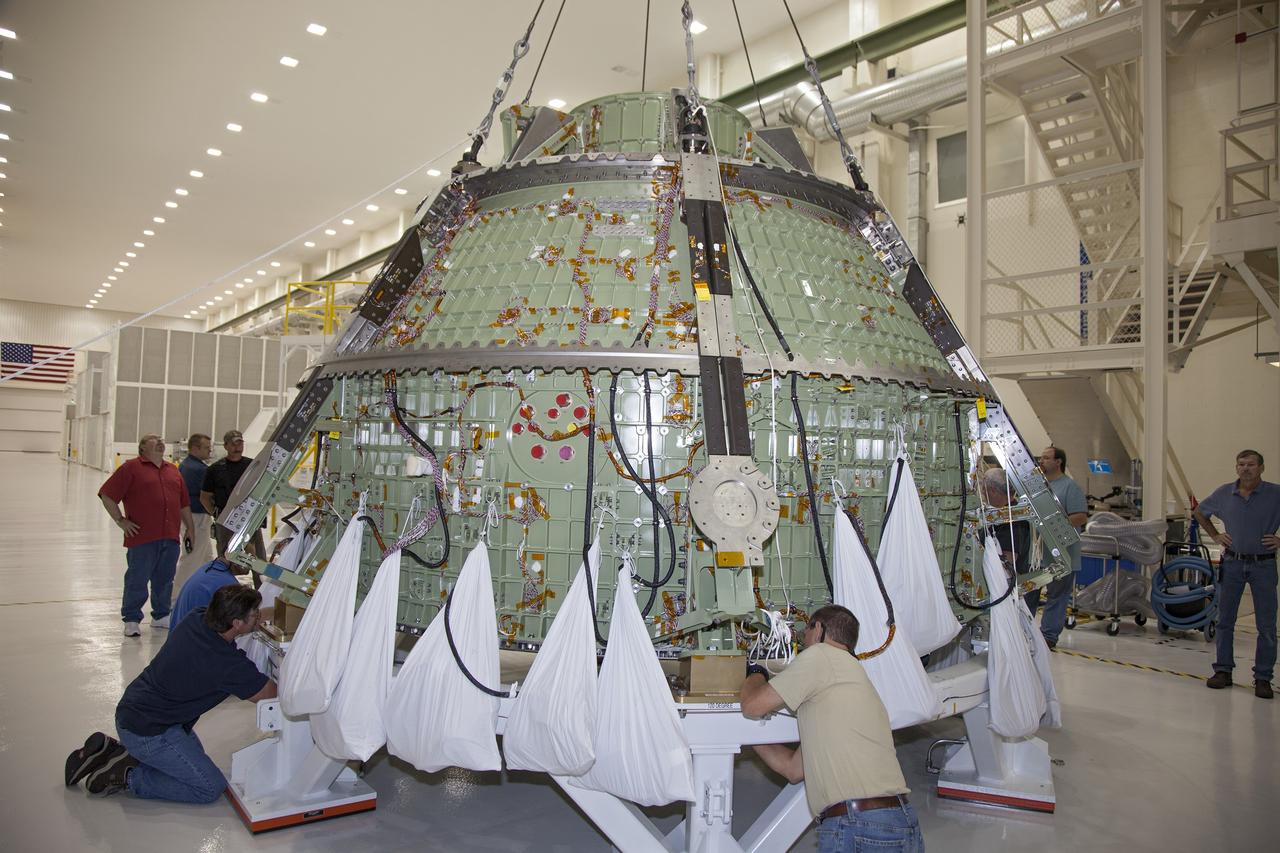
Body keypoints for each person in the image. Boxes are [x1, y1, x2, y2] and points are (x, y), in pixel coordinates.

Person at [64, 585, 276, 801]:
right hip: (150, 731)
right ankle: (125, 775)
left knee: (191, 761)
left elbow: (244, 625)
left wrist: (286, 611)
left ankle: (114, 753)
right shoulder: (225, 663)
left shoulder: (199, 618)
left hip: (136, 710)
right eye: (254, 613)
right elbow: (271, 694)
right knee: (209, 786)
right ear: (237, 623)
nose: (259, 616)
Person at [740, 605, 923, 852]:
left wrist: (755, 670)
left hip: (858, 825)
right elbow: (792, 769)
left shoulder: (821, 656)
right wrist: (749, 735)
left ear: (819, 629)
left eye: (806, 631)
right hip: (898, 822)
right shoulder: (848, 679)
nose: (803, 640)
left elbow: (752, 705)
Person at [1194, 450, 1279, 700]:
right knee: (1225, 620)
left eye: (1251, 464)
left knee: (1266, 625)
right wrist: (1215, 535)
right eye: (1241, 464)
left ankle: (1263, 677)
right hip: (1232, 564)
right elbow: (1200, 512)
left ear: (1261, 468)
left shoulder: (1274, 494)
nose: (1245, 469)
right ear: (1236, 468)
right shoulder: (1224, 493)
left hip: (1263, 565)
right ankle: (1223, 671)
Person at [98, 434, 196, 637]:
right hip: (142, 537)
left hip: (169, 537)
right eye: (154, 440)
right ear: (142, 448)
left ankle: (161, 615)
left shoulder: (173, 471)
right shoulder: (130, 468)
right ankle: (132, 618)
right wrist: (120, 520)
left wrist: (191, 529)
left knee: (165, 579)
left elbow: (183, 503)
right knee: (137, 579)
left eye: (161, 440)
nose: (160, 442)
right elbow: (107, 494)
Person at [1034, 446, 1088, 648]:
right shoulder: (1039, 486)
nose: (1042, 461)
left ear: (1058, 462)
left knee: (1056, 595)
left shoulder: (1069, 487)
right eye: (1041, 457)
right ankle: (1026, 632)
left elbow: (1080, 516)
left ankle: (1049, 636)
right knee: (1030, 591)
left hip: (1062, 551)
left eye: (1046, 458)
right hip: (1039, 552)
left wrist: (1054, 525)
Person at [201, 429, 265, 561]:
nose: (237, 447)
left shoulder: (253, 466)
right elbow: (205, 497)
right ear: (226, 446)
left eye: (240, 443)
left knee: (258, 559)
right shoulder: (215, 469)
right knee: (225, 559)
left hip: (250, 518)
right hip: (226, 521)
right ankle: (227, 582)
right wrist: (217, 514)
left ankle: (260, 582)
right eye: (233, 444)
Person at [174, 433, 214, 591]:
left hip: (194, 517)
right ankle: (177, 596)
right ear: (195, 448)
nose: (209, 451)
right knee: (192, 558)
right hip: (196, 518)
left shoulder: (187, 465)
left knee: (205, 558)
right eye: (206, 448)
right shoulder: (197, 469)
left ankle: (204, 589)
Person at [171, 552, 240, 627]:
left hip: (179, 633)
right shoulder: (229, 584)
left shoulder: (209, 567)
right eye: (250, 557)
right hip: (192, 635)